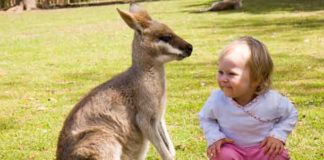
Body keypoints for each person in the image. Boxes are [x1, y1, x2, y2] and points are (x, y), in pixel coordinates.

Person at [198, 36, 298, 160]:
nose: (223, 79)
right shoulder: (217, 99)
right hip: (232, 148)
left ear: (256, 79)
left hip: (262, 148)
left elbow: (290, 114)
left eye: (231, 74)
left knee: (276, 155)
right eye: (220, 72)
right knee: (222, 154)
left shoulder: (272, 100)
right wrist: (215, 137)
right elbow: (206, 118)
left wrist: (277, 135)